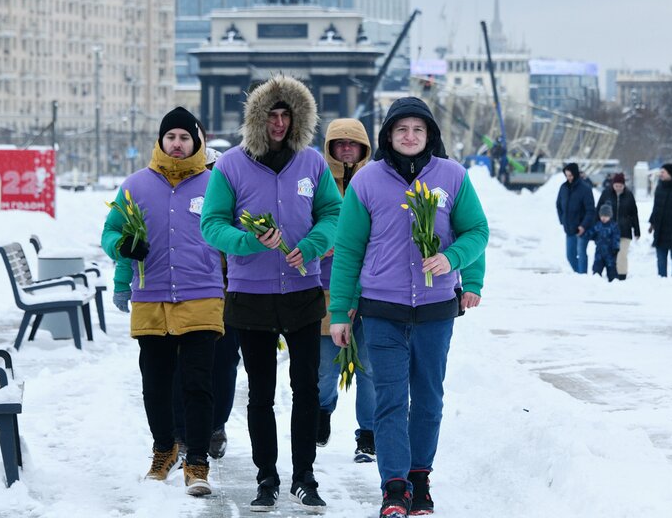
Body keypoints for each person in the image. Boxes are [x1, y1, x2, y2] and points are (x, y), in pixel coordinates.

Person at [328, 97, 489, 518]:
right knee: (390, 399)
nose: (410, 137)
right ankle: (394, 487)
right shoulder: (367, 183)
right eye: (402, 130)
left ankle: (420, 477)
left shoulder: (452, 177)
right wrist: (342, 312)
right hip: (382, 309)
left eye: (418, 130)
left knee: (430, 398)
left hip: (436, 310)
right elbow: (347, 250)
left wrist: (456, 265)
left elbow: (476, 231)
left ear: (430, 134)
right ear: (388, 136)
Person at [200, 74, 340, 513]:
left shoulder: (312, 163)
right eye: (272, 115)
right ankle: (267, 476)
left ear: (298, 119)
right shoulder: (231, 166)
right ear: (257, 118)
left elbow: (333, 213)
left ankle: (304, 475)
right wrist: (246, 242)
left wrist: (313, 246)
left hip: (303, 292)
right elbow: (211, 224)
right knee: (260, 392)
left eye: (287, 115)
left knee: (307, 390)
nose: (279, 123)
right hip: (250, 294)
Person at [101, 106, 222, 496]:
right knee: (155, 383)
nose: (177, 143)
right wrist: (121, 248)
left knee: (198, 383)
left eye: (185, 137)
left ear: (196, 142)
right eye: (170, 136)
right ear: (160, 140)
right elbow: (111, 232)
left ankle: (198, 461)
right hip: (151, 295)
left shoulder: (215, 183)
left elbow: (231, 234)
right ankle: (164, 448)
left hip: (201, 294)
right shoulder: (136, 184)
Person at [112, 147, 241, 463]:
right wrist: (122, 280)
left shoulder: (226, 190)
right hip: (183, 292)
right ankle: (182, 435)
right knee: (180, 368)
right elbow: (132, 239)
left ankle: (215, 426)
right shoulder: (151, 189)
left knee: (223, 364)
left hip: (228, 292)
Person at [316, 118, 377, 463]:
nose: (346, 150)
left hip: (371, 290)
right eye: (339, 144)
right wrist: (322, 243)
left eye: (353, 144)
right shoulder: (319, 184)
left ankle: (368, 433)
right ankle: (322, 411)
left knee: (369, 366)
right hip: (328, 290)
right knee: (326, 366)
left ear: (364, 147)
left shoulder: (377, 181)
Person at [596, 172, 640, 280]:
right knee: (610, 254)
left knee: (622, 254)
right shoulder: (606, 194)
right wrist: (596, 227)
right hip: (609, 231)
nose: (618, 188)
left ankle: (621, 276)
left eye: (621, 186)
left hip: (625, 230)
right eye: (616, 186)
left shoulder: (629, 195)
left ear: (624, 185)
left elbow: (634, 213)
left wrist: (637, 230)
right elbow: (598, 211)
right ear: (612, 184)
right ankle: (611, 275)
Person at [556, 162, 595, 274]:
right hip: (569, 227)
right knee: (570, 255)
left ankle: (582, 275)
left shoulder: (585, 189)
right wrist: (562, 220)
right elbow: (558, 205)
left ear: (575, 174)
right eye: (567, 175)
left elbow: (590, 210)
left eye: (571, 175)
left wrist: (583, 226)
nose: (569, 178)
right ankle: (579, 274)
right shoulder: (563, 188)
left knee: (581, 252)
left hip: (583, 228)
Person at [648, 163, 672, 277]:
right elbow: (656, 206)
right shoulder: (659, 187)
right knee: (661, 258)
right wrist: (652, 222)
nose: (661, 174)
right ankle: (661, 279)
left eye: (663, 172)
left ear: (670, 174)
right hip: (660, 228)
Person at [587, 203, 621, 282]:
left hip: (610, 254)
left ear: (610, 216)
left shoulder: (614, 226)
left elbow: (616, 237)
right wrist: (587, 235)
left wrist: (616, 248)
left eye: (606, 216)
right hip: (599, 253)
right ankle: (596, 283)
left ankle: (613, 283)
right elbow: (592, 232)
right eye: (602, 216)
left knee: (612, 271)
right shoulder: (598, 225)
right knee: (597, 270)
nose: (604, 218)